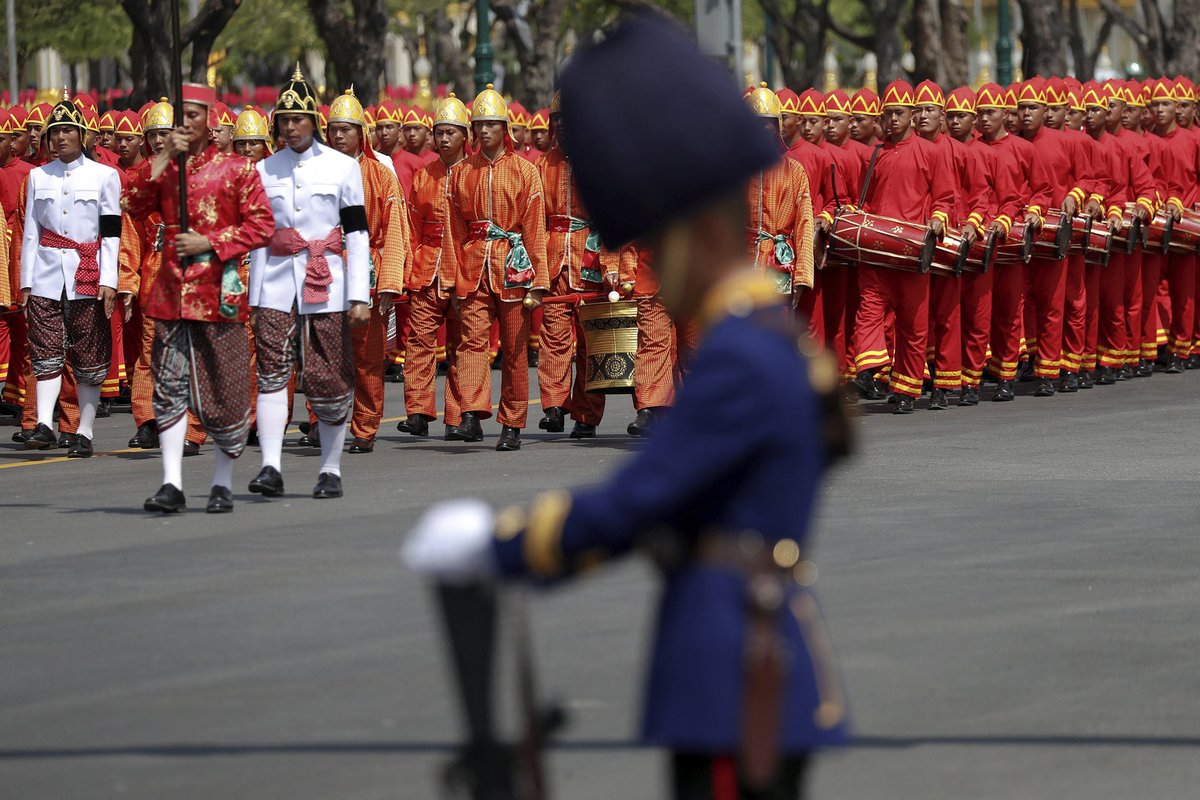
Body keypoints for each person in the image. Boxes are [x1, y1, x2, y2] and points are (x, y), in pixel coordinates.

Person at [404, 16, 851, 799]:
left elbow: (643, 498)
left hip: (732, 676)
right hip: (736, 663)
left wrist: (499, 545)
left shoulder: (742, 358)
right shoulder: (759, 340)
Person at [124, 82, 275, 513]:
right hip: (170, 290)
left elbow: (261, 227)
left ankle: (222, 482)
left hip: (219, 291)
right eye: (180, 117)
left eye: (194, 115)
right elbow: (130, 203)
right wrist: (160, 159)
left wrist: (210, 242)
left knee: (223, 387)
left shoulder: (237, 170)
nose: (186, 123)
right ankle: (171, 481)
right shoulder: (166, 168)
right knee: (169, 384)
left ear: (212, 123)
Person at [248, 65, 371, 500]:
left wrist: (360, 294)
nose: (290, 127)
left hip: (329, 283)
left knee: (328, 375)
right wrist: (254, 296)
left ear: (314, 122)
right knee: (271, 374)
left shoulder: (342, 168)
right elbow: (261, 237)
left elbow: (356, 234)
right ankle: (270, 467)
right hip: (278, 284)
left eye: (298, 119)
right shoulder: (264, 170)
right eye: (284, 120)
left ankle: (330, 468)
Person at [18, 95, 122, 457]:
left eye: (68, 131)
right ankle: (44, 423)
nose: (61, 137)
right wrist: (26, 282)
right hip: (46, 272)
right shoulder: (37, 175)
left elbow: (111, 232)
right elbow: (31, 230)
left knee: (90, 352)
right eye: (55, 132)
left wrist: (110, 280)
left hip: (87, 271)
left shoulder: (105, 176)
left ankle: (85, 431)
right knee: (45, 350)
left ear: (83, 135)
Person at [447, 83, 549, 452]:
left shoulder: (525, 171)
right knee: (471, 343)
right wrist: (452, 278)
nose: (484, 130)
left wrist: (538, 280)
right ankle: (472, 412)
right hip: (473, 267)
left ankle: (512, 423)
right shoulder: (461, 173)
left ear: (505, 128)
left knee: (515, 349)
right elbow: (453, 232)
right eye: (479, 124)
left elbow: (535, 228)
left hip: (514, 267)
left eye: (491, 123)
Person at [850, 79, 955, 414]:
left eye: (899, 114)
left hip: (911, 250)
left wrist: (939, 217)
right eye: (888, 114)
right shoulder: (877, 152)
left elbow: (945, 197)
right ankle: (869, 368)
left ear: (911, 115)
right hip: (877, 251)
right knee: (868, 310)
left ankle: (907, 389)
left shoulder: (931, 152)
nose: (893, 120)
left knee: (913, 324)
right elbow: (864, 199)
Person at [535, 91, 630, 439]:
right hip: (555, 257)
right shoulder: (542, 165)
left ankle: (587, 416)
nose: (561, 125)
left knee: (593, 343)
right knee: (554, 337)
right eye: (556, 119)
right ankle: (555, 406)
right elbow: (534, 220)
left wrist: (614, 264)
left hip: (592, 261)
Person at [323, 87, 410, 454]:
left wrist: (390, 283)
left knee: (368, 358)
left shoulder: (380, 175)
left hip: (367, 273)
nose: (339, 135)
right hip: (323, 270)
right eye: (334, 129)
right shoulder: (316, 173)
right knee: (324, 353)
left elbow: (395, 231)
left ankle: (364, 427)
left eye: (346, 129)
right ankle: (322, 421)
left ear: (361, 132)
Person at [401, 94, 471, 439]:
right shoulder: (424, 174)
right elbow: (412, 225)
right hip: (426, 267)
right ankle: (417, 412)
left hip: (465, 269)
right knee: (420, 341)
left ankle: (456, 416)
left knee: (462, 344)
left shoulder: (476, 173)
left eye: (450, 133)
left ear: (464, 137)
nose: (443, 139)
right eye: (439, 132)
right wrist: (407, 267)